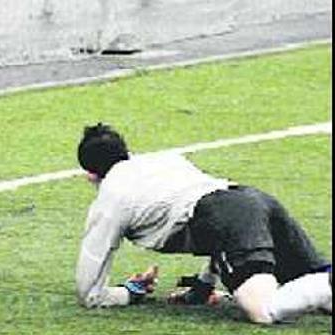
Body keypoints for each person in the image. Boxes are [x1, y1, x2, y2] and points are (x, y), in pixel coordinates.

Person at [74, 123, 331, 324]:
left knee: (263, 309)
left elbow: (89, 294)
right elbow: (212, 224)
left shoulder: (110, 199)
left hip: (230, 214)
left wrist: (129, 291)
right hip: (254, 198)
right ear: (127, 152)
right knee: (324, 299)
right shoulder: (163, 160)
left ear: (90, 175)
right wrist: (203, 285)